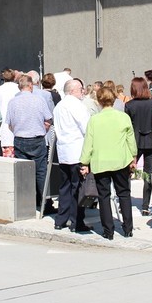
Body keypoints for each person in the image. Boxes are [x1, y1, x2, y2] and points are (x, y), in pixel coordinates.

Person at [79, 86, 137, 240]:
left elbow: (88, 143)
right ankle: (128, 228)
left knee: (104, 196)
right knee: (124, 193)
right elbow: (131, 140)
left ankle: (108, 230)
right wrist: (133, 156)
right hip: (120, 160)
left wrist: (84, 162)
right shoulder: (123, 117)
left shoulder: (94, 120)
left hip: (101, 161)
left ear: (98, 101)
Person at [5, 74, 53, 208]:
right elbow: (48, 119)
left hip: (20, 138)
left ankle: (26, 203)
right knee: (41, 171)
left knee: (23, 173)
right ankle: (44, 203)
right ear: (31, 85)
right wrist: (44, 129)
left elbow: (9, 124)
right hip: (37, 138)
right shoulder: (39, 100)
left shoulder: (13, 102)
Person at [53, 78, 92, 232]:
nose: (83, 91)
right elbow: (86, 127)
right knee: (78, 188)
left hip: (63, 151)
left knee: (65, 187)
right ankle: (77, 222)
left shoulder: (59, 106)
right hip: (76, 151)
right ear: (73, 90)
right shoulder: (76, 105)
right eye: (81, 89)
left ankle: (60, 220)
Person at [124, 77, 152, 217]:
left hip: (134, 141)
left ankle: (125, 203)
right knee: (148, 174)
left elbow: (127, 125)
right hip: (150, 140)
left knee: (128, 172)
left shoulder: (129, 105)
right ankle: (145, 206)